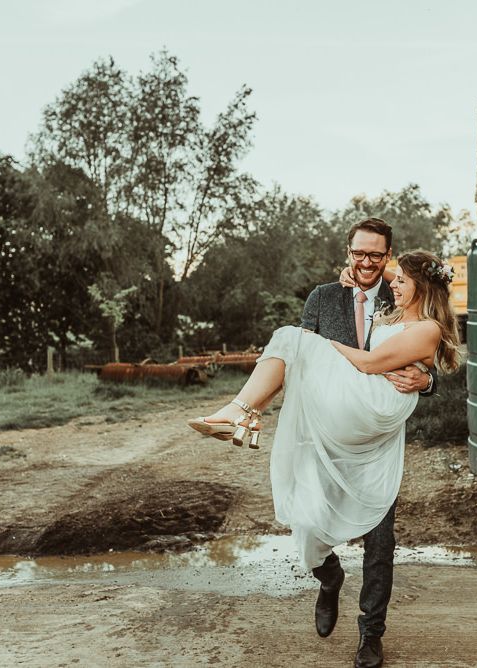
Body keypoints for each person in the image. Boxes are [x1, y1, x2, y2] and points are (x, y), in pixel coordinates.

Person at [188, 239, 460, 668]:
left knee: (380, 543)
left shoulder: (412, 310)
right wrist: (306, 343)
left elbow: (380, 360)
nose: (370, 265)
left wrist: (315, 344)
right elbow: (296, 366)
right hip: (337, 415)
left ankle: (371, 634)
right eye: (359, 253)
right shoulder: (327, 296)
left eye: (381, 259)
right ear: (349, 251)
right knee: (310, 523)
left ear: (390, 260)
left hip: (371, 417)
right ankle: (329, 577)